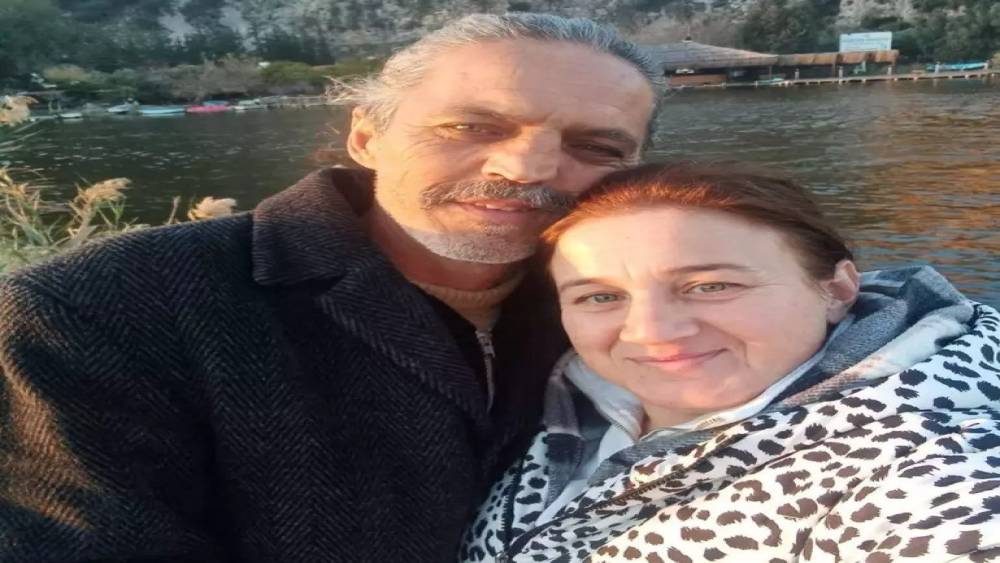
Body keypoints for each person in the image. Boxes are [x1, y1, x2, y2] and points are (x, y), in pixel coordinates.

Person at [0, 13, 663, 562]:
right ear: (366, 136)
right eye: (472, 127)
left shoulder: (658, 310)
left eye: (596, 147)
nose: (527, 168)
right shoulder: (99, 312)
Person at [462, 162, 1000, 562]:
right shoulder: (559, 402)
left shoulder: (935, 467)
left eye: (711, 285)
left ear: (837, 289)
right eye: (600, 297)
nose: (650, 331)